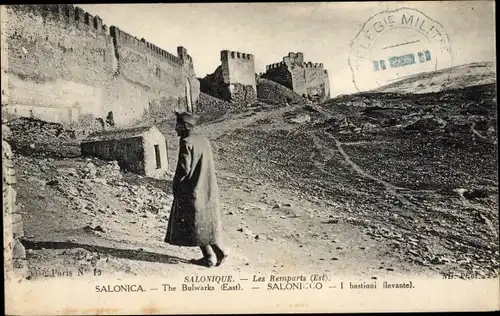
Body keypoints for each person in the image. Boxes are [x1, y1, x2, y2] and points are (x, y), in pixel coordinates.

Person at [164, 112, 227, 267]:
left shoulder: (186, 142)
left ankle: (213, 255)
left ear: (185, 126)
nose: (175, 129)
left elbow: (184, 169)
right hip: (207, 188)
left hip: (192, 189)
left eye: (177, 126)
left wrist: (176, 186)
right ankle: (216, 253)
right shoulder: (203, 140)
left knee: (194, 223)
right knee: (201, 223)